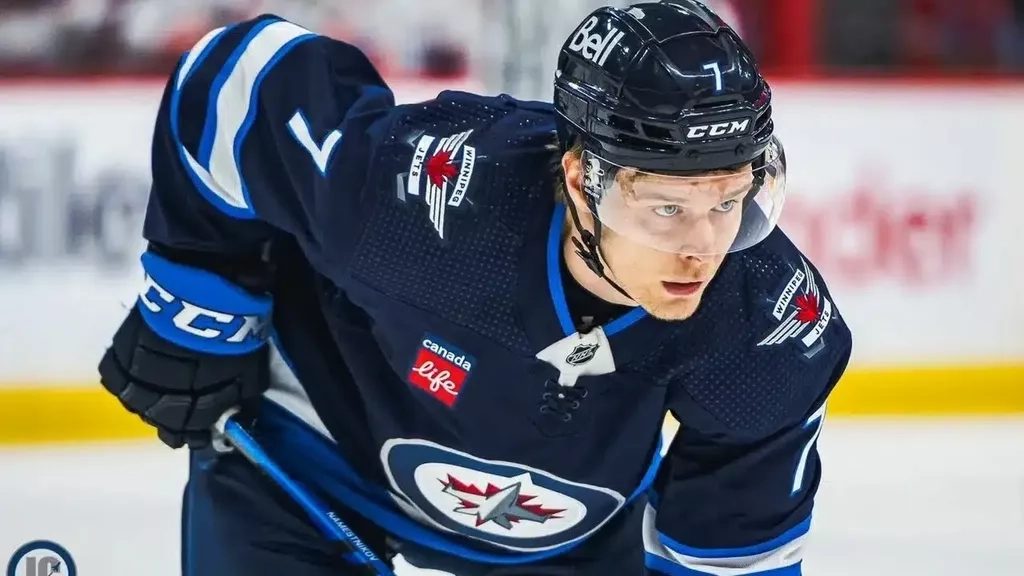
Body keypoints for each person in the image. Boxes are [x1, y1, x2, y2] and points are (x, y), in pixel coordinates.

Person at [97, 2, 851, 574]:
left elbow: (728, 547)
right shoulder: (422, 200)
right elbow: (242, 77)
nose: (703, 247)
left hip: (569, 540)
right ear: (579, 183)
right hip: (309, 466)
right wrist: (198, 302)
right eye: (664, 208)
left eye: (730, 201)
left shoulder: (770, 323)